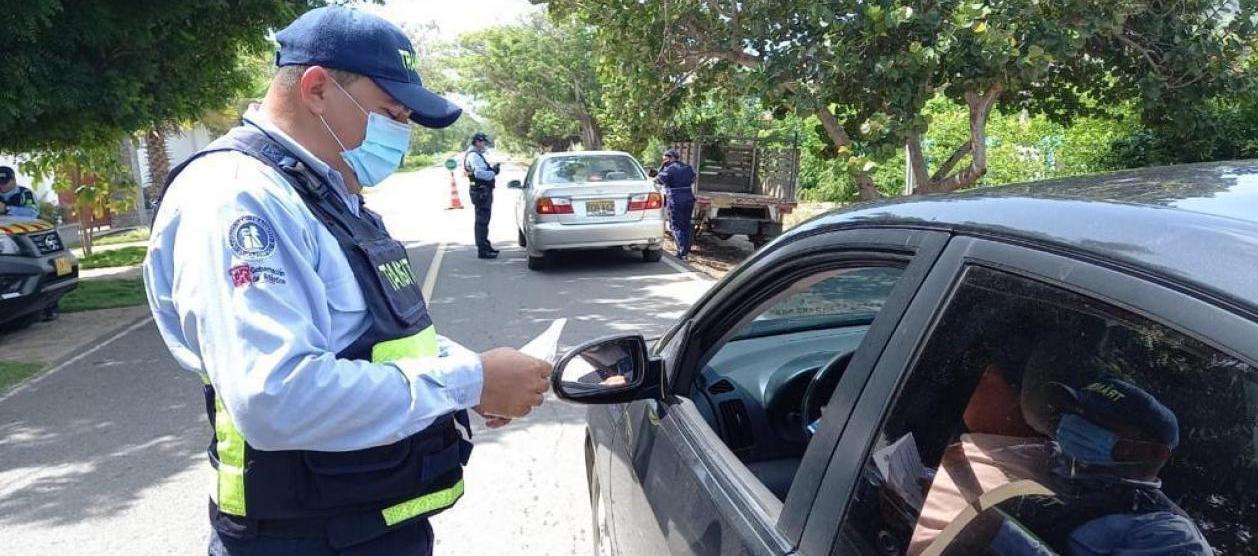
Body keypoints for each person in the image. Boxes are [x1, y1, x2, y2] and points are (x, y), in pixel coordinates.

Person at [142, 7, 551, 555]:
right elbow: (276, 399)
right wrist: (467, 382)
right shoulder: (240, 199)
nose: (400, 135)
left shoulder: (325, 193)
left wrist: (472, 373)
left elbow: (372, 336)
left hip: (359, 522)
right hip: (301, 538)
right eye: (391, 113)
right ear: (316, 88)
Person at [911, 376, 1210, 556]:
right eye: (1075, 412)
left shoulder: (1171, 536)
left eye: (1098, 423)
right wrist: (947, 482)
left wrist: (998, 533)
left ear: (1155, 452)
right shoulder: (1055, 461)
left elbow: (997, 526)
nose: (1076, 425)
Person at [653, 149, 696, 261]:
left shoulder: (669, 169)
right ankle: (685, 251)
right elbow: (693, 179)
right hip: (689, 198)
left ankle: (681, 253)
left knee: (676, 226)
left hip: (676, 199)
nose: (664, 160)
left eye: (664, 159)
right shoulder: (688, 167)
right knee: (686, 225)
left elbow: (658, 181)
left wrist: (662, 167)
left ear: (670, 158)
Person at [464, 132, 500, 259]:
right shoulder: (473, 156)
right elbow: (479, 173)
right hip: (481, 192)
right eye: (483, 142)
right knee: (482, 221)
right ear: (477, 142)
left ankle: (485, 245)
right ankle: (483, 250)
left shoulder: (476, 155)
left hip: (481, 191)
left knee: (484, 221)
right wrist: (493, 173)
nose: (484, 145)